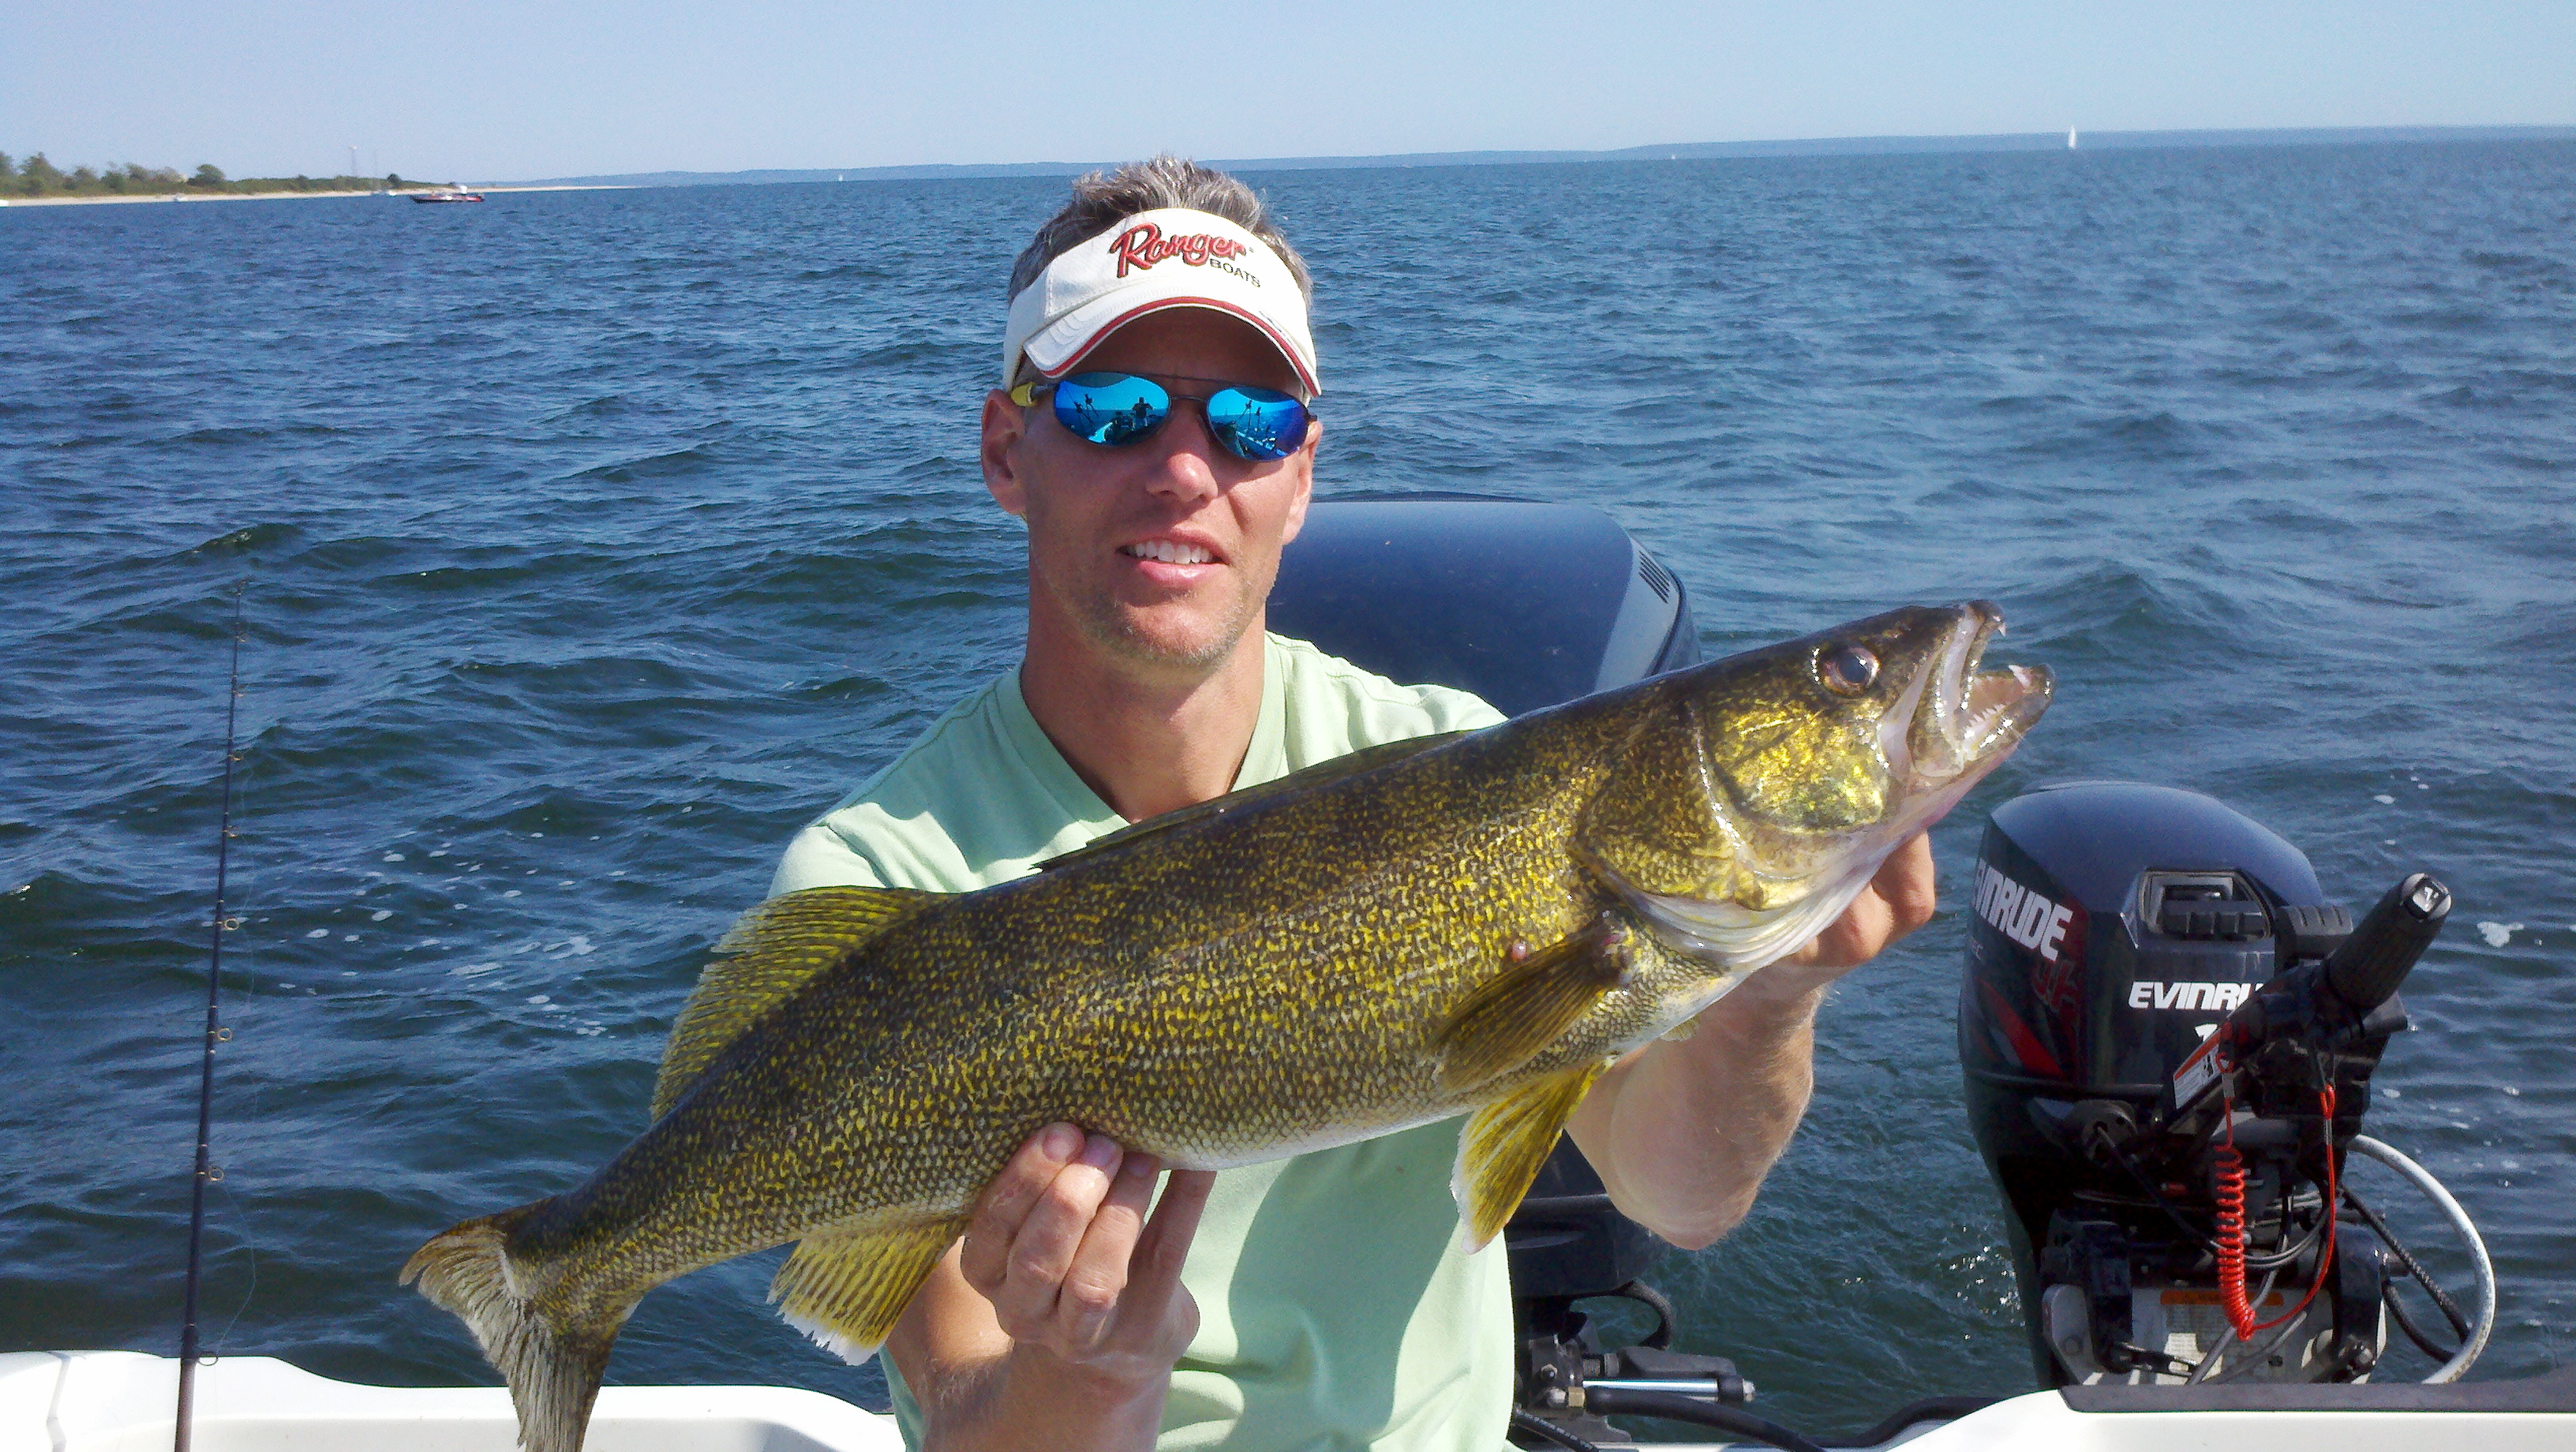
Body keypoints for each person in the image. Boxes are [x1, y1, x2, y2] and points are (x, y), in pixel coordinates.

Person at [769, 156, 1937, 1452]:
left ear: (1303, 476)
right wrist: (1091, 1377)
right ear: (1007, 449)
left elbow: (1682, 1199)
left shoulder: (1457, 772)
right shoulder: (876, 885)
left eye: (1251, 422)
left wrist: (1769, 991)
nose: (1185, 468)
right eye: (1113, 409)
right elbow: (967, 1415)